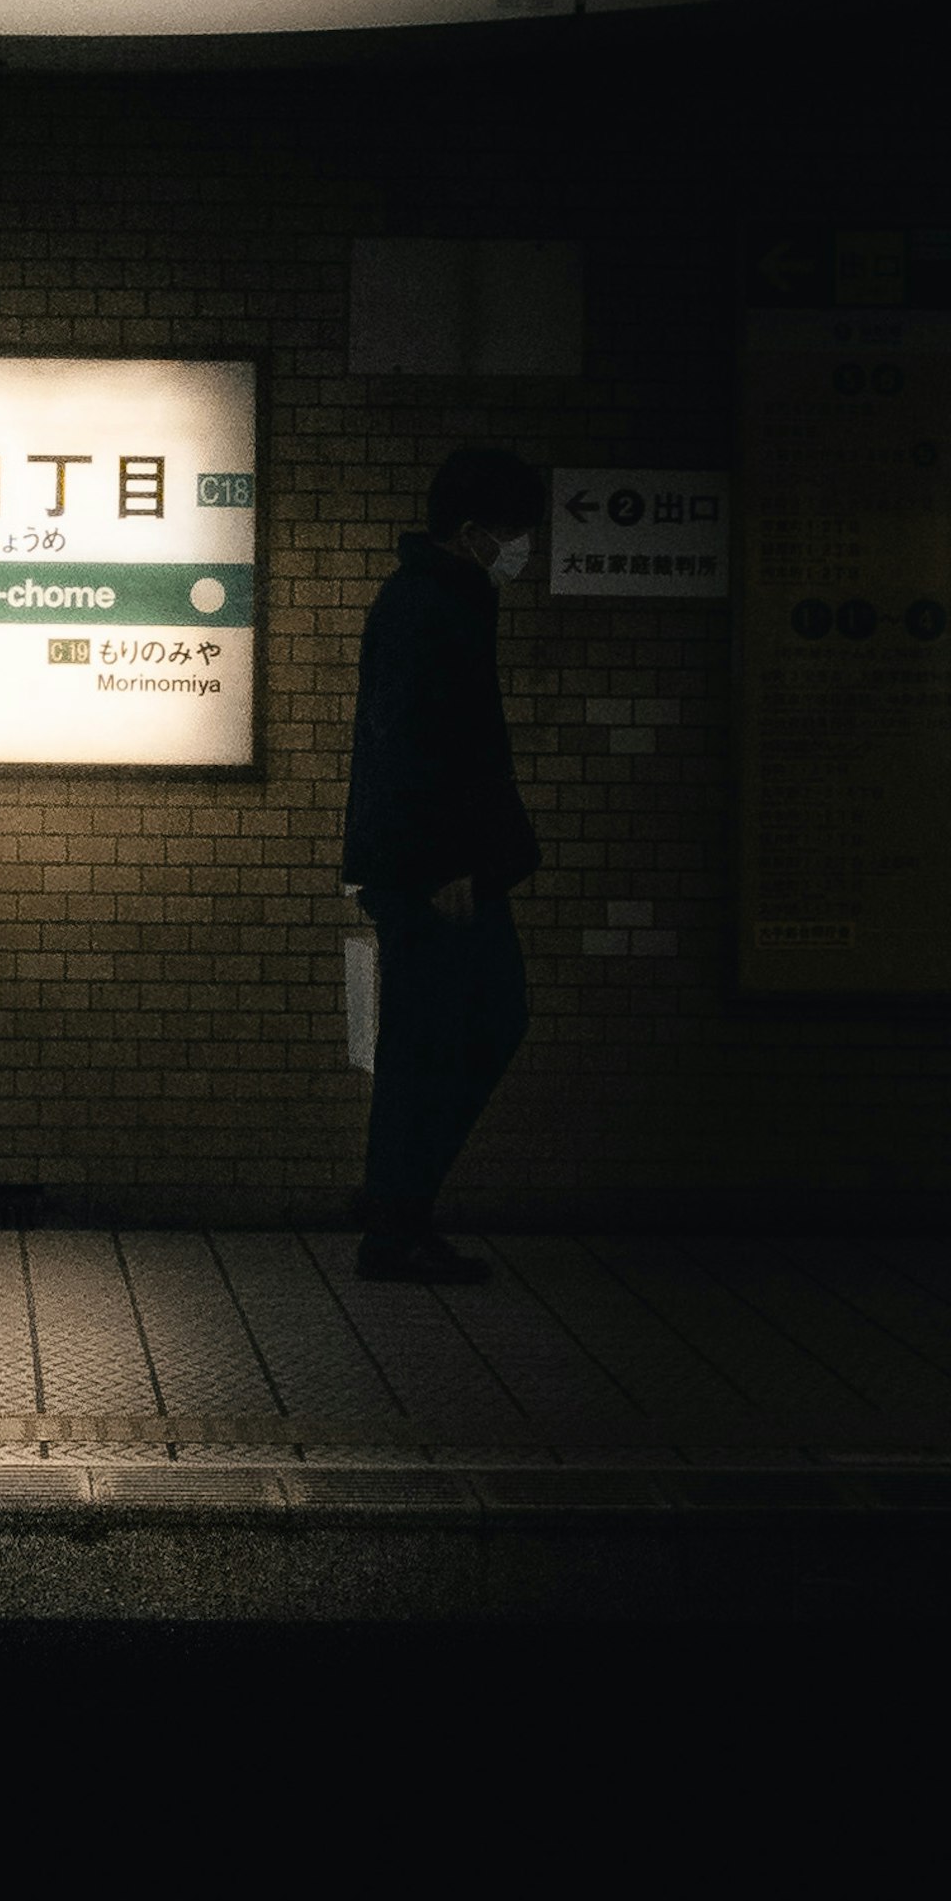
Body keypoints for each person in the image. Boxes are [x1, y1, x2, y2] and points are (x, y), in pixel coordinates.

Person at [338, 441, 547, 1283]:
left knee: (445, 1036)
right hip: (436, 877)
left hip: (435, 867)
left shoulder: (444, 595)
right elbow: (416, 747)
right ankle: (395, 1220)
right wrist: (448, 866)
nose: (523, 549)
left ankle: (398, 1213)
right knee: (459, 1032)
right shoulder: (429, 604)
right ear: (471, 532)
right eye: (513, 532)